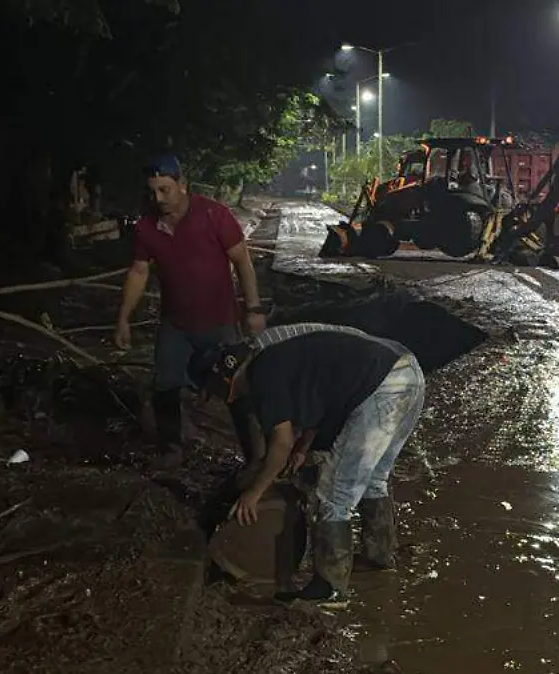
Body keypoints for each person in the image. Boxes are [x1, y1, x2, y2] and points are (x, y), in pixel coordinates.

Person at [188, 324, 425, 608]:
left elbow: (280, 443)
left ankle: (329, 588)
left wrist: (254, 492)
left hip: (381, 385)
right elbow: (319, 403)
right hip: (407, 371)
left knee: (333, 492)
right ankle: (379, 556)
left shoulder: (262, 374)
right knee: (374, 478)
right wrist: (303, 448)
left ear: (223, 379)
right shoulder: (276, 360)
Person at [115, 154, 267, 468]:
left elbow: (242, 261)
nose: (159, 199)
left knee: (235, 389)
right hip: (176, 326)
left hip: (220, 323)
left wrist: (253, 308)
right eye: (153, 191)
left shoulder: (213, 214)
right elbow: (139, 272)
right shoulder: (147, 227)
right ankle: (171, 449)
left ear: (182, 185)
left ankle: (257, 457)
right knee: (165, 385)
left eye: (165, 190)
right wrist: (123, 319)